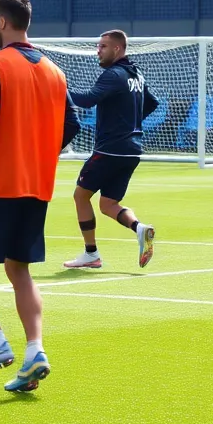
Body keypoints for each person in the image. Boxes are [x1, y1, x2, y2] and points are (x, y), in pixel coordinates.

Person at [0, 0, 80, 393]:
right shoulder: (54, 70)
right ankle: (34, 351)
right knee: (18, 269)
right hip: (37, 186)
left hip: (0, 182)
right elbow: (73, 124)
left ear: (4, 23)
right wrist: (40, 154)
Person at [62, 30, 159, 270]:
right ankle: (140, 228)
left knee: (80, 196)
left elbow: (87, 100)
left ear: (117, 49)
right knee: (108, 203)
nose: (98, 51)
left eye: (103, 46)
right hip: (132, 151)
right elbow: (152, 102)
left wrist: (57, 89)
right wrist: (130, 123)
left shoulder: (114, 74)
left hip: (111, 150)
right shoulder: (136, 74)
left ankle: (91, 254)